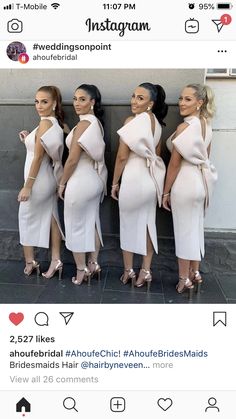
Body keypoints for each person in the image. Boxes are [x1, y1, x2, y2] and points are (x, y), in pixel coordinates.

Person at [111, 82, 168, 290]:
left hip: (134, 178)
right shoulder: (157, 124)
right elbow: (158, 154)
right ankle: (146, 270)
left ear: (150, 103)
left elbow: (122, 156)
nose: (134, 101)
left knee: (127, 224)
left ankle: (129, 271)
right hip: (151, 179)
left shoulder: (132, 121)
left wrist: (115, 182)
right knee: (147, 225)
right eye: (133, 96)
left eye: (140, 98)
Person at [162, 84, 217, 295]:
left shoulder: (184, 128)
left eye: (188, 99)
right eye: (181, 98)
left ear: (199, 102)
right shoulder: (206, 125)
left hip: (184, 182)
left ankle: (184, 279)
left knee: (184, 231)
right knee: (195, 229)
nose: (181, 103)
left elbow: (174, 163)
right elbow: (206, 157)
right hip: (200, 182)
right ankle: (196, 272)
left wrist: (165, 192)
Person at [58, 84, 107, 285]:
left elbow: (72, 160)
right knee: (92, 221)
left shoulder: (84, 125)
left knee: (75, 225)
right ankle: (93, 263)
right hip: (94, 179)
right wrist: (70, 131)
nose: (77, 103)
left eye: (82, 99)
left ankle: (81, 269)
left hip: (80, 181)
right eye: (75, 99)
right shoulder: (94, 123)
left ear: (92, 102)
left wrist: (62, 183)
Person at [18, 85, 65, 279]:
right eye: (36, 101)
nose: (39, 105)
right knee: (52, 215)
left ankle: (30, 262)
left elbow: (37, 158)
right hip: (46, 177)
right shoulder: (52, 123)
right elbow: (41, 149)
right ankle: (56, 260)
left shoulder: (46, 124)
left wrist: (28, 186)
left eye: (44, 101)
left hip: (38, 180)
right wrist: (28, 140)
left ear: (54, 103)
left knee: (25, 216)